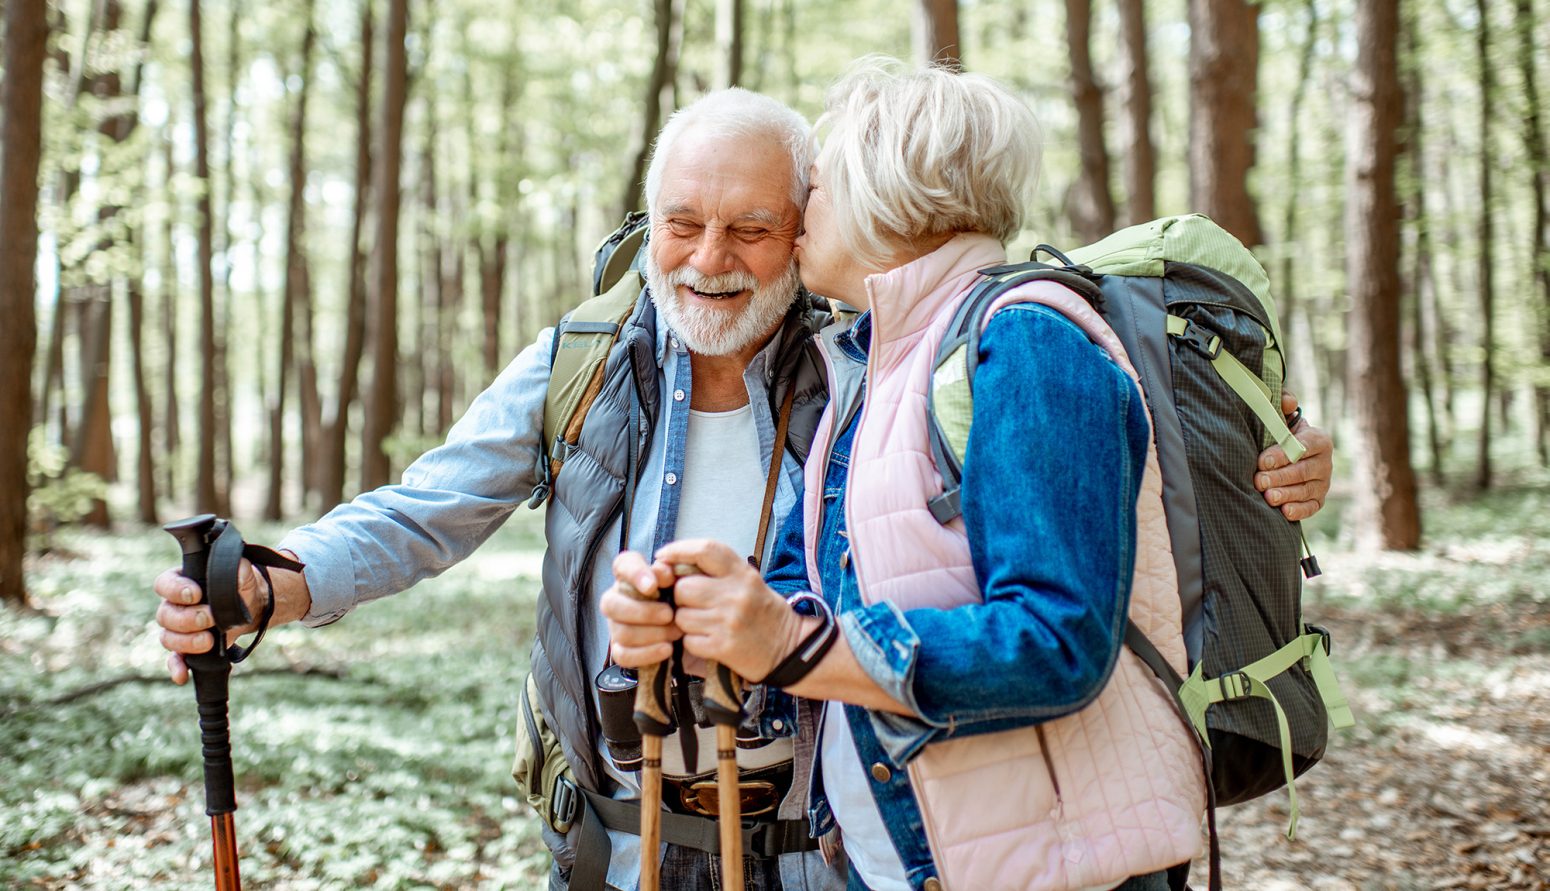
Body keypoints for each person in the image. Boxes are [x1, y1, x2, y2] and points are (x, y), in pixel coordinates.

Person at [155, 83, 1332, 890]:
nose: (709, 259)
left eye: (751, 228)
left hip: (836, 840)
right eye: (682, 224)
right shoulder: (585, 366)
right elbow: (424, 509)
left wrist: (1264, 465)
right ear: (645, 224)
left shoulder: (874, 361)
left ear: (811, 224)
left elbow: (1051, 498)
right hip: (624, 839)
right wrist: (280, 584)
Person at [603, 60, 1310, 891]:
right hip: (905, 861)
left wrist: (789, 641)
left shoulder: (1025, 344)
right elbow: (805, 600)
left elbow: (1056, 641)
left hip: (1058, 871)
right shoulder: (868, 367)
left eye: (818, 189)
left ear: (884, 193)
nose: (796, 224)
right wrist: (702, 618)